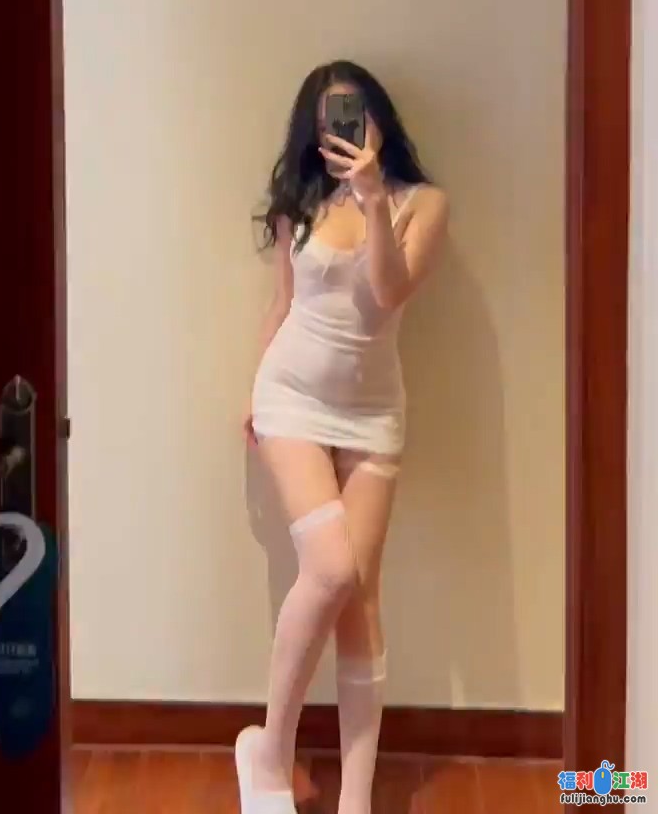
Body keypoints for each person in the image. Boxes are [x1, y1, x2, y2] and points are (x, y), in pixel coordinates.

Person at [236, 60, 448, 814]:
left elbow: (388, 293)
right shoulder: (301, 202)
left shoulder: (422, 203)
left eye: (356, 113)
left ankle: (355, 798)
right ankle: (268, 753)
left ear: (379, 118)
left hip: (372, 415)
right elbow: (284, 302)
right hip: (290, 399)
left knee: (360, 596)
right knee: (329, 569)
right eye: (331, 119)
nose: (345, 130)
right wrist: (253, 394)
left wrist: (371, 195)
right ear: (314, 129)